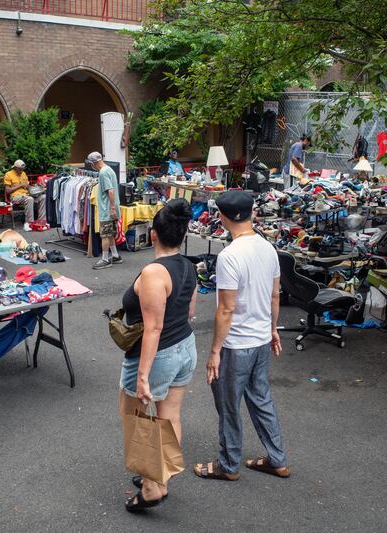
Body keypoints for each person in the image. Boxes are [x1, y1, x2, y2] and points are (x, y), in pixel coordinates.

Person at [194, 190, 290, 482]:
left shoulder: (229, 256)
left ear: (222, 218)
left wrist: (214, 352)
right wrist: (273, 329)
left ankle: (229, 464)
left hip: (236, 344)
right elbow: (275, 296)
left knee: (228, 404)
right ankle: (278, 459)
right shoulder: (268, 248)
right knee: (261, 399)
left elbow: (225, 309)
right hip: (261, 339)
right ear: (252, 214)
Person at [118, 199, 198, 512]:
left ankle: (152, 488)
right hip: (184, 347)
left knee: (136, 419)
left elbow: (153, 328)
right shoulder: (188, 265)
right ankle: (160, 478)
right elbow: (189, 310)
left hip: (158, 355)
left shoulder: (154, 272)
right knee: (169, 417)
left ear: (153, 235)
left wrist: (141, 376)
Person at [88, 152, 122, 269]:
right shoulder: (109, 169)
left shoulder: (102, 173)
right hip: (112, 207)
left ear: (94, 163)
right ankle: (115, 255)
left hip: (107, 208)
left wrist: (111, 209)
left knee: (105, 235)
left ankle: (105, 259)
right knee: (110, 233)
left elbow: (110, 191)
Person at [3, 159, 46, 232]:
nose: (21, 170)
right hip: (15, 197)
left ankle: (42, 222)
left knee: (43, 197)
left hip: (26, 194)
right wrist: (20, 185)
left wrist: (38, 186)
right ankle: (29, 223)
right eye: (20, 169)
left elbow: (28, 186)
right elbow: (7, 190)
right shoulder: (8, 174)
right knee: (29, 199)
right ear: (15, 168)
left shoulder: (23, 173)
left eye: (22, 169)